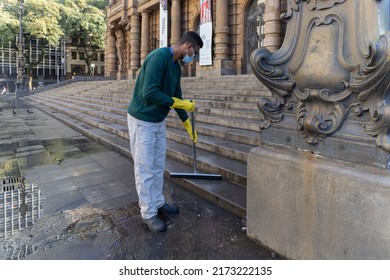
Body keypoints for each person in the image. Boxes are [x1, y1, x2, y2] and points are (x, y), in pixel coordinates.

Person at [127, 31, 203, 232]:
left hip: (158, 120)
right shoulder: (158, 57)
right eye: (194, 52)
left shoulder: (176, 67)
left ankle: (158, 202)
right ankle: (148, 212)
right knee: (144, 167)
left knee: (158, 164)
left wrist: (187, 122)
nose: (192, 57)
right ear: (188, 47)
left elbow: (176, 95)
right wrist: (176, 102)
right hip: (142, 118)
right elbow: (149, 93)